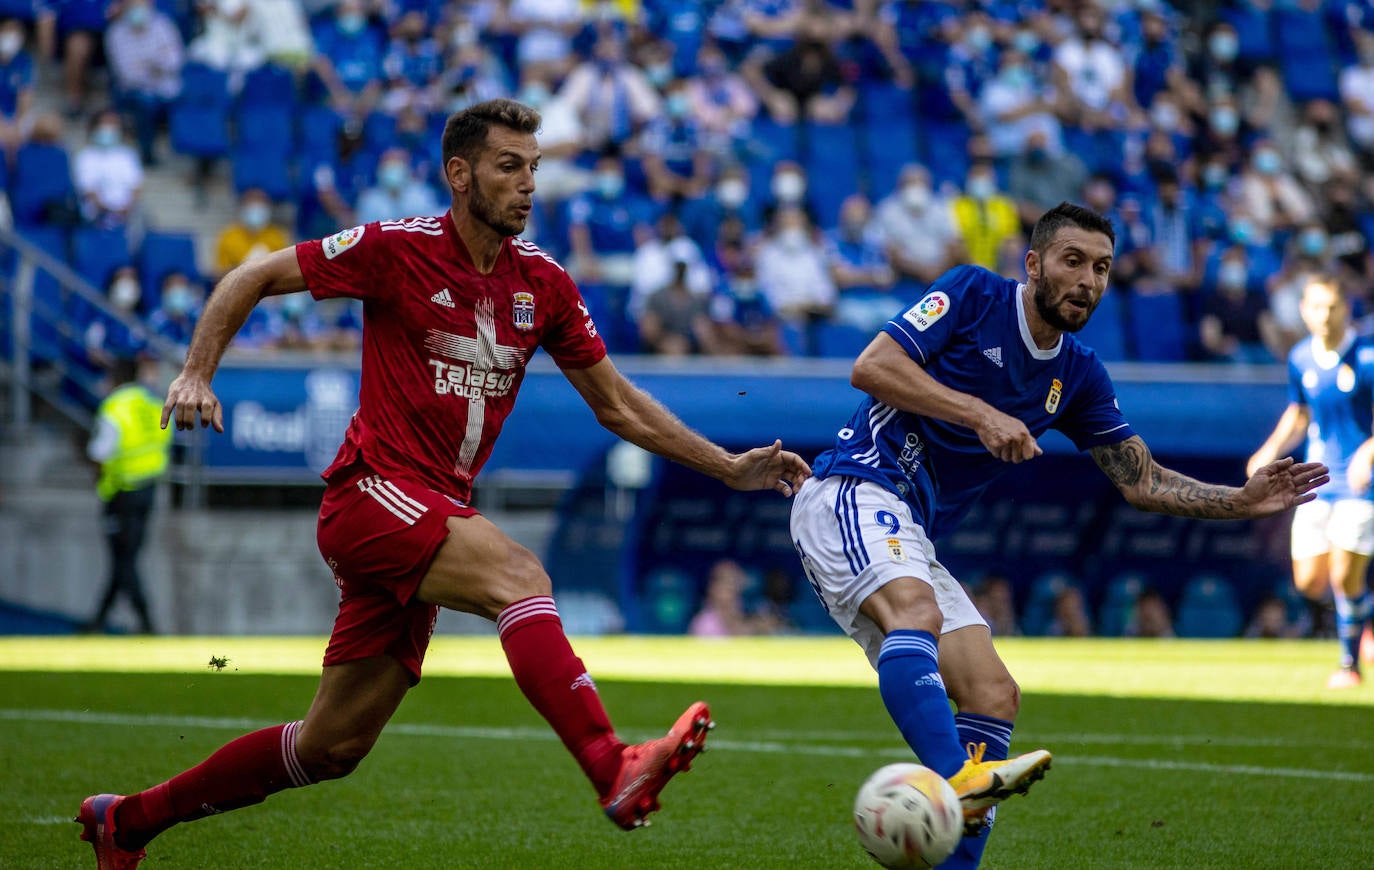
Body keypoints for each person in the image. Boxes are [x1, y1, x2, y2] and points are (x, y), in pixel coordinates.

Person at [76, 98, 812, 867]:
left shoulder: (545, 286)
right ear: (458, 175)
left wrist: (727, 467)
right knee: (519, 575)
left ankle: (125, 823)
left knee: (330, 748)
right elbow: (254, 275)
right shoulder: (395, 248)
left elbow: (618, 404)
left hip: (430, 514)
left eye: (534, 168)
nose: (527, 184)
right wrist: (196, 371)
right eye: (508, 166)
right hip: (371, 493)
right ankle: (612, 765)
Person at [789, 202, 1328, 870]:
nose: (1088, 280)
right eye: (1073, 261)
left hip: (909, 531)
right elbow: (872, 366)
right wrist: (979, 412)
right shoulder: (972, 293)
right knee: (918, 616)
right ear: (1036, 263)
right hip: (852, 487)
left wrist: (1239, 500)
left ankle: (955, 851)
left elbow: (1140, 480)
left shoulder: (1077, 373)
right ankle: (955, 779)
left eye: (1102, 268)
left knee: (993, 694)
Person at [1248, 274, 1374, 689]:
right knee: (1310, 581)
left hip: (1362, 483)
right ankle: (1363, 613)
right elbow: (1299, 414)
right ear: (1304, 310)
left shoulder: (1368, 354)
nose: (1325, 316)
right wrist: (1268, 452)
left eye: (1333, 307)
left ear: (1347, 307)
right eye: (1316, 307)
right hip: (1315, 480)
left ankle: (1348, 665)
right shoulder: (1301, 357)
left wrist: (1368, 453)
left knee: (1343, 577)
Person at [81, 357, 172, 635]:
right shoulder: (152, 404)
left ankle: (145, 621)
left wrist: (98, 476)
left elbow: (99, 453)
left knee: (123, 560)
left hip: (121, 491)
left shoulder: (115, 407)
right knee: (126, 558)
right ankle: (99, 620)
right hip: (149, 488)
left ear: (116, 377)